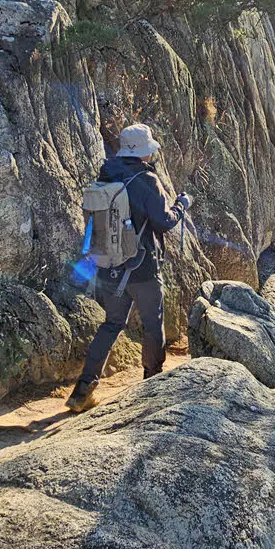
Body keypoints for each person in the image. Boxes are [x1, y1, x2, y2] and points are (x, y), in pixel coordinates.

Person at [67, 122, 190, 412]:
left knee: (111, 324)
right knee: (152, 323)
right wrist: (182, 205)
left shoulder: (106, 173)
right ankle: (152, 386)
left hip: (109, 265)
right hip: (142, 266)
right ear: (145, 151)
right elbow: (165, 221)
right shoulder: (146, 180)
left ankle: (82, 392)